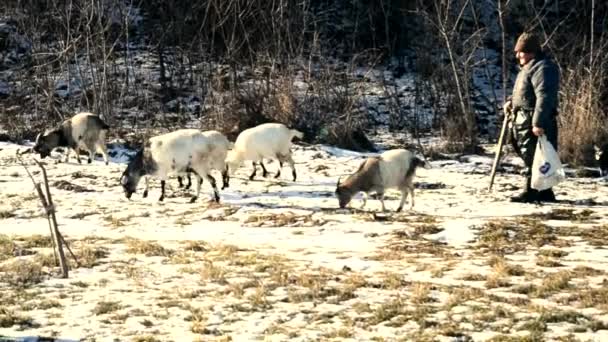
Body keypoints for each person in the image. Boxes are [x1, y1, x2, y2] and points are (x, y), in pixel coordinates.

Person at [505, 32, 560, 203]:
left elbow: (544, 96)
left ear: (531, 51)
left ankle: (531, 191)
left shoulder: (543, 68)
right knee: (531, 154)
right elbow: (525, 92)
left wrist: (538, 122)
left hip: (533, 119)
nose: (517, 55)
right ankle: (545, 192)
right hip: (523, 118)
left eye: (520, 51)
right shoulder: (530, 67)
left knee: (535, 156)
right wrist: (510, 102)